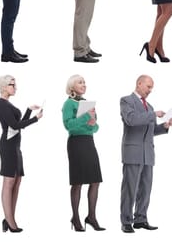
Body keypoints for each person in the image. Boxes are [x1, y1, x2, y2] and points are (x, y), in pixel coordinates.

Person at [119, 75, 172, 233]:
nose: (150, 90)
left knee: (146, 188)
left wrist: (164, 125)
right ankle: (126, 221)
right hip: (132, 152)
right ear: (139, 83)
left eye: (152, 88)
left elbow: (151, 131)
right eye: (148, 87)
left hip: (148, 153)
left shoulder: (149, 107)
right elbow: (131, 119)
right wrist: (153, 115)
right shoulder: (126, 101)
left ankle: (141, 219)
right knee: (130, 188)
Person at [0, 75, 43, 233]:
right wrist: (35, 119)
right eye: (12, 85)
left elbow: (18, 126)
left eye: (15, 85)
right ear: (3, 86)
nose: (15, 87)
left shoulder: (7, 103)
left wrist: (29, 110)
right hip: (8, 146)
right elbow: (15, 125)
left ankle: (9, 218)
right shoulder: (1, 104)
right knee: (8, 182)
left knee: (17, 181)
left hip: (16, 146)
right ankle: (10, 221)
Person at [62, 75, 104, 232]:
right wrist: (85, 118)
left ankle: (91, 217)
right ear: (72, 86)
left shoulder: (86, 104)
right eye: (80, 82)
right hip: (76, 143)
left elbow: (96, 128)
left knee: (95, 180)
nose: (84, 84)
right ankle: (76, 217)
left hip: (89, 142)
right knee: (78, 181)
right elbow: (69, 126)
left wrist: (92, 123)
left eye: (85, 82)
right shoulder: (69, 103)